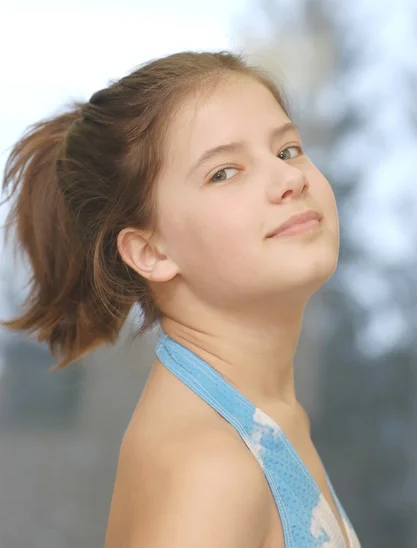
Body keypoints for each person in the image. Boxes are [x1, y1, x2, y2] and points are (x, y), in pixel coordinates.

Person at [1, 51, 361, 548]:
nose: (290, 179)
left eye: (287, 150)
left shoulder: (264, 418)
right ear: (150, 252)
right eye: (224, 173)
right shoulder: (210, 470)